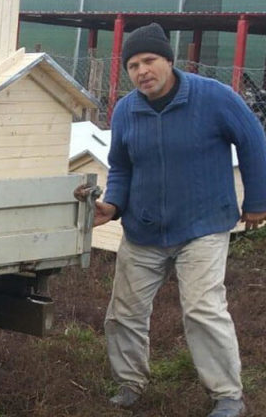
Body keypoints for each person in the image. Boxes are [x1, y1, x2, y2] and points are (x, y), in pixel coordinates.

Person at [91, 22, 266, 417]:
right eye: (133, 65)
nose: (141, 71)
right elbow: (120, 166)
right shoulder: (126, 110)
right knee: (124, 313)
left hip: (202, 225)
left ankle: (227, 395)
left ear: (168, 60)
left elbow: (254, 140)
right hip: (144, 227)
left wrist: (257, 199)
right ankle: (130, 383)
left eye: (149, 60)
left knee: (203, 308)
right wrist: (114, 206)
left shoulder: (213, 97)